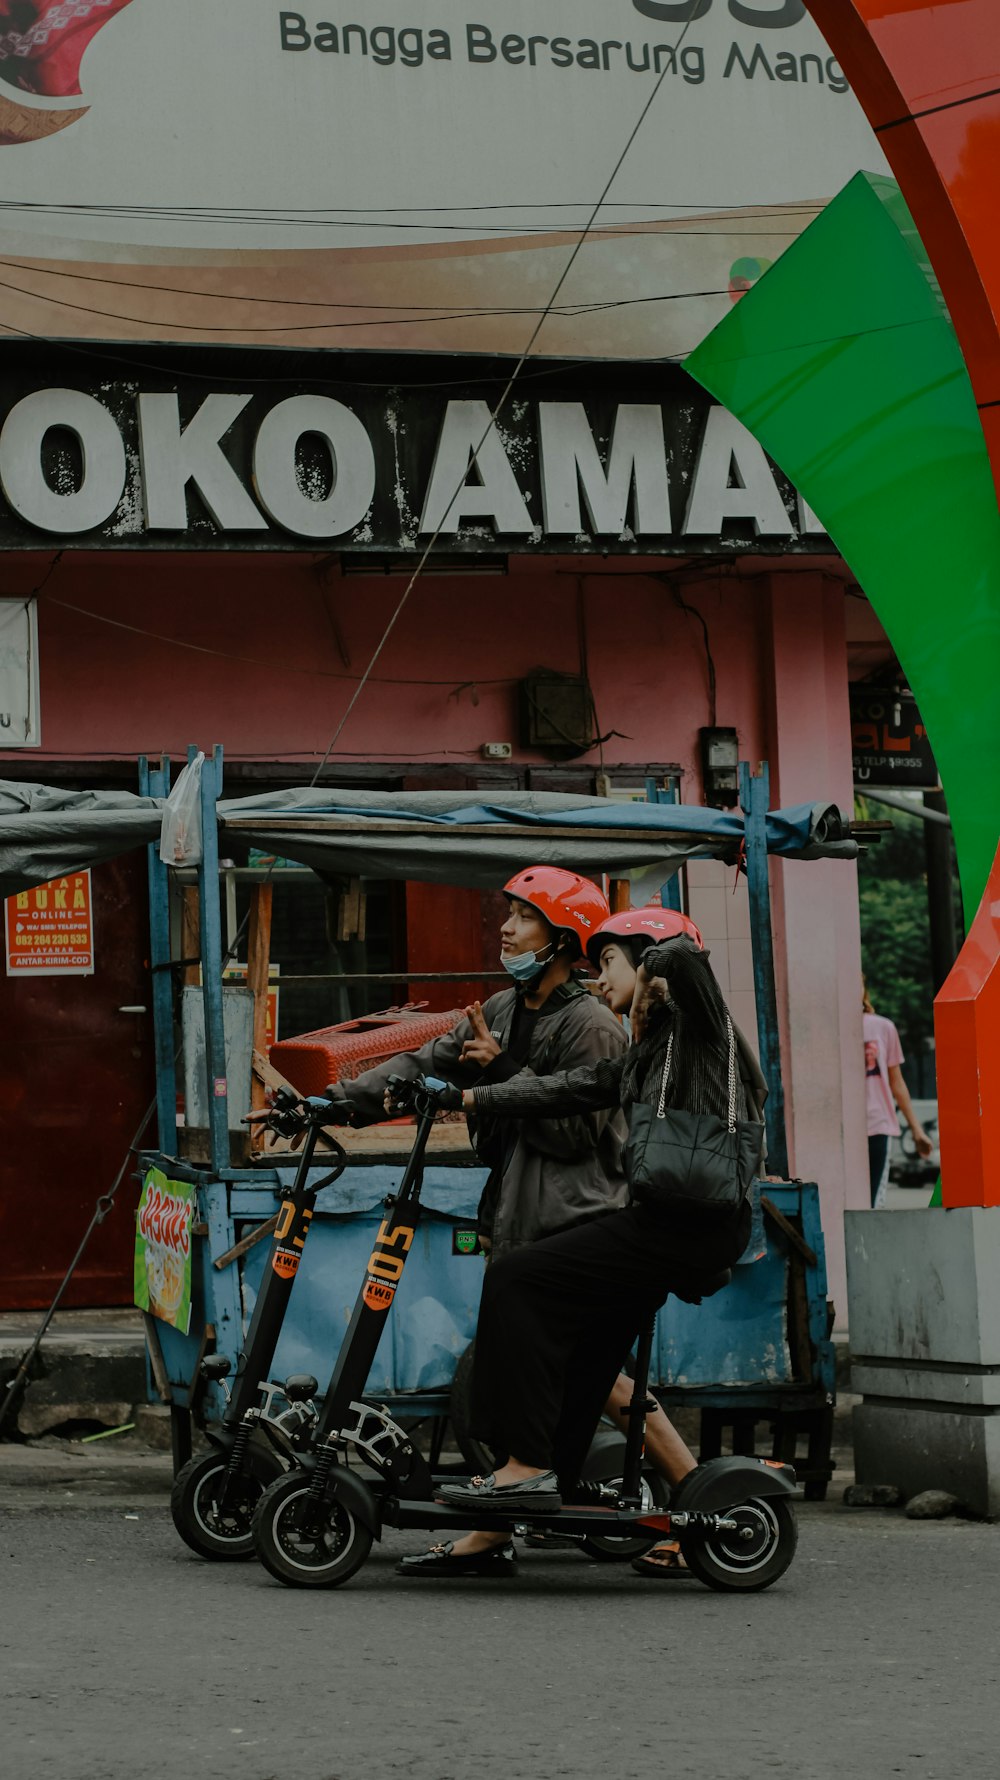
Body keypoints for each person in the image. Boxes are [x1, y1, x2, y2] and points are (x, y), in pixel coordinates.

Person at [399, 906, 768, 1578]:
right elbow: (575, 1088)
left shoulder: (697, 1032)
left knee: (519, 1279)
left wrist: (663, 956)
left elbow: (688, 976)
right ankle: (536, 1494)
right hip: (674, 1227)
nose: (600, 982)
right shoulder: (650, 1049)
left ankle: (530, 1467)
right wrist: (473, 1100)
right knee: (590, 1352)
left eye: (612, 966)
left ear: (653, 969)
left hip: (684, 1228)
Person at [863, 978, 932, 1208]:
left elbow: (897, 1082)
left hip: (877, 1123)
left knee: (872, 1202)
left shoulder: (883, 1027)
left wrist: (916, 1129)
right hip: (843, 1128)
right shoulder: (832, 1028)